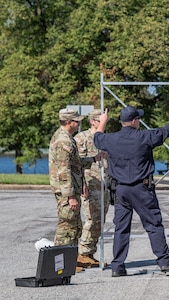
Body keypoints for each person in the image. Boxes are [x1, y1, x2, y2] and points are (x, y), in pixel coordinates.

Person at [93, 106, 169, 277]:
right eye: (138, 119)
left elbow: (97, 138)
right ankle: (164, 262)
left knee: (121, 228)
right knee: (153, 225)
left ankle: (117, 266)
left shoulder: (111, 139)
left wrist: (103, 121)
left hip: (121, 190)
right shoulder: (144, 137)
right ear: (133, 121)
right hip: (141, 189)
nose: (139, 121)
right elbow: (167, 130)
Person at [48, 108, 86, 272]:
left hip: (70, 189)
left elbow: (74, 166)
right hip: (65, 192)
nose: (78, 124)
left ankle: (70, 261)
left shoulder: (65, 137)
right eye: (77, 121)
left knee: (74, 226)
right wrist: (70, 196)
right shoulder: (64, 141)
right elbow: (64, 171)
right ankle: (60, 265)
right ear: (69, 122)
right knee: (66, 228)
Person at [74, 109, 109, 268]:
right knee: (92, 219)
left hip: (104, 185)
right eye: (100, 119)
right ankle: (83, 253)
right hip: (90, 184)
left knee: (100, 220)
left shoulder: (104, 138)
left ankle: (89, 253)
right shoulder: (81, 138)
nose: (103, 121)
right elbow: (77, 164)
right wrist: (82, 185)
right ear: (92, 121)